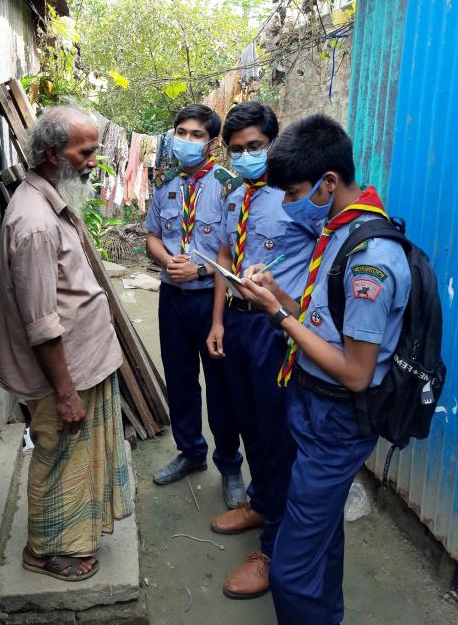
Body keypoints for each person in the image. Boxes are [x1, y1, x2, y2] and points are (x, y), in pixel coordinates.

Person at [238, 114, 410, 624]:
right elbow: (322, 320)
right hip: (310, 407)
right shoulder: (338, 231)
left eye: (294, 193)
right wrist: (276, 294)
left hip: (336, 420)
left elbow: (356, 372)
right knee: (322, 539)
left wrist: (276, 316)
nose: (288, 206)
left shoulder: (370, 256)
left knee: (290, 571)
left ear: (329, 182)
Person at [0, 105, 133, 582]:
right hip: (63, 376)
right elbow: (41, 323)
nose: (95, 160)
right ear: (53, 154)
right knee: (56, 457)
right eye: (86, 151)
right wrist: (67, 393)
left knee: (72, 458)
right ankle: (45, 550)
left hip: (83, 364)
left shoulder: (49, 198)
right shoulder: (33, 221)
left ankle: (70, 537)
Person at [205, 102, 318, 599]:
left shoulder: (299, 198)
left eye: (254, 147)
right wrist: (217, 322)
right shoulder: (235, 197)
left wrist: (297, 318)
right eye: (236, 150)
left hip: (277, 329)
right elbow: (225, 255)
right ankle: (259, 501)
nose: (247, 156)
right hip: (238, 321)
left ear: (272, 143)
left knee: (276, 436)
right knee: (248, 422)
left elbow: (322, 261)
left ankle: (274, 546)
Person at [146, 104, 245, 508]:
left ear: (213, 142)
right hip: (172, 300)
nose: (186, 141)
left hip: (212, 302)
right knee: (180, 379)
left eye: (196, 135)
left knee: (221, 388)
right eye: (181, 133)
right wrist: (166, 260)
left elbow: (236, 253)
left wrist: (202, 274)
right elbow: (152, 235)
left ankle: (230, 465)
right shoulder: (166, 183)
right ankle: (190, 451)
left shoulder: (230, 186)